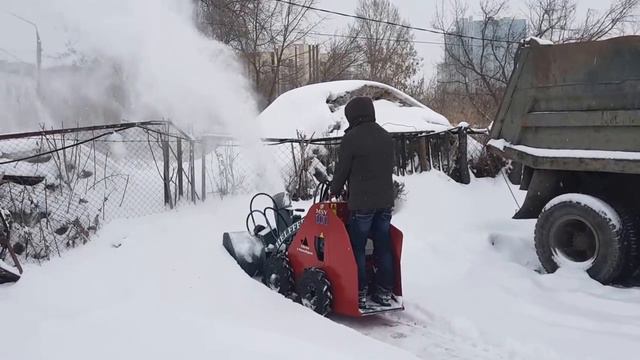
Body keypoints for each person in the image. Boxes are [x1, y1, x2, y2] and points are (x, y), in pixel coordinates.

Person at [329, 96, 395, 309]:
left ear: (353, 115)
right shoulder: (386, 136)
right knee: (382, 246)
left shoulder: (351, 138)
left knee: (356, 247)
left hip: (362, 204)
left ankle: (359, 291)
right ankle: (384, 292)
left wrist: (333, 190)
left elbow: (342, 171)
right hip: (384, 203)